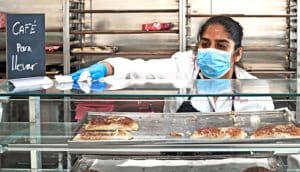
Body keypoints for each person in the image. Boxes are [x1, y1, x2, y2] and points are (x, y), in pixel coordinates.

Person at [70, 15, 274, 113]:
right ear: (197, 47)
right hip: (179, 162)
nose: (211, 50)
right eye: (205, 44)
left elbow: (273, 141)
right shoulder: (182, 67)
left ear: (237, 54)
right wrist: (105, 67)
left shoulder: (254, 89)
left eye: (221, 46)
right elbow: (137, 69)